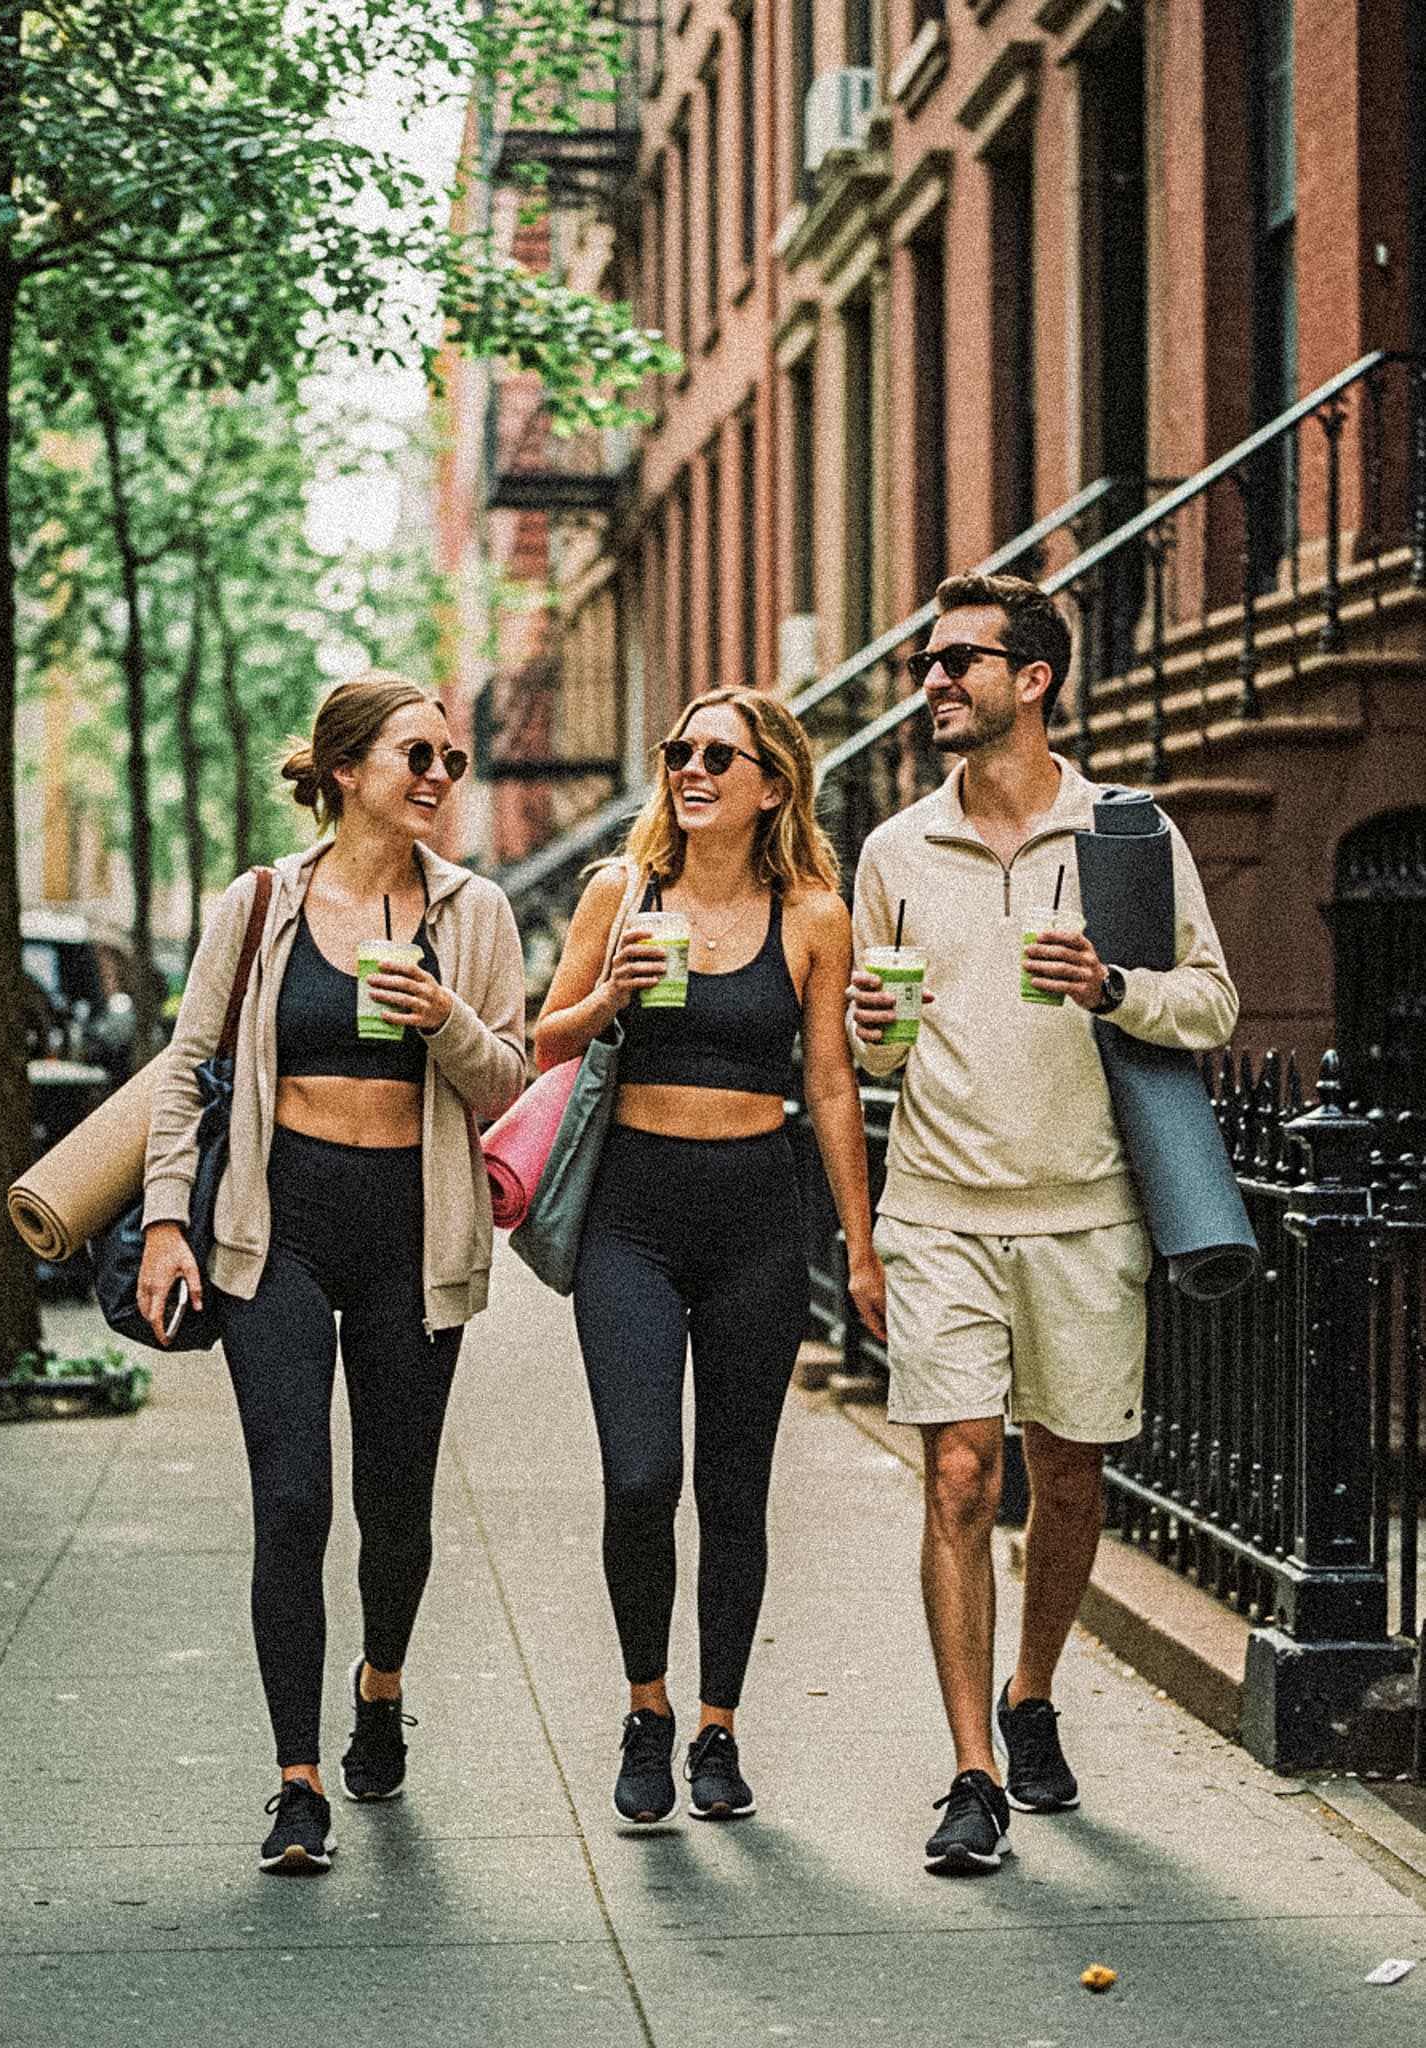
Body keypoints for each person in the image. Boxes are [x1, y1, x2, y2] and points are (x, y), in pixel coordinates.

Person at [848, 574, 1237, 1877]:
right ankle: (972, 1773)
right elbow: (881, 1050)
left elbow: (1213, 1002)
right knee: (961, 1475)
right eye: (928, 661)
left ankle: (1031, 1694)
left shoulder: (1126, 835)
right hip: (941, 1207)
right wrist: (870, 1031)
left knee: (1066, 1474)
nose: (934, 680)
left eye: (960, 658)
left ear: (1034, 678)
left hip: (1085, 1207)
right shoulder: (895, 849)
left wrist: (1113, 983)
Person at [137, 673, 525, 1874]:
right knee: (295, 1498)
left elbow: (508, 1081)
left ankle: (381, 1682)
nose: (439, 775)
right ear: (347, 770)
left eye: (452, 759)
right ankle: (297, 1780)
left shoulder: (474, 912)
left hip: (415, 1236)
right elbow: (186, 1065)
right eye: (418, 754)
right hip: (278, 1232)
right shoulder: (259, 903)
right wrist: (166, 1219)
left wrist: (445, 1017)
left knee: (395, 1509)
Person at [535, 687, 886, 1827]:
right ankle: (646, 1707)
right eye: (680, 750)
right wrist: (611, 993)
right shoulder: (620, 892)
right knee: (642, 1477)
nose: (691, 768)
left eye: (718, 756)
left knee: (736, 1487)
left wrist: (862, 1249)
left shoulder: (814, 914)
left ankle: (717, 1725)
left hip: (755, 1220)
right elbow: (540, 1042)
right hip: (630, 1217)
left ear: (772, 786)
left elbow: (830, 1084)